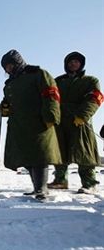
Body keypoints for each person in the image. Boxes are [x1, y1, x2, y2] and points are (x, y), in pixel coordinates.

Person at [0, 49, 61, 200]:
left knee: (40, 156)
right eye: (6, 67)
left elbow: (51, 94)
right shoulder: (9, 84)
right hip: (19, 125)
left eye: (10, 65)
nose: (8, 69)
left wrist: (51, 116)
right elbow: (8, 103)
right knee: (26, 157)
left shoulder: (38, 74)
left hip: (39, 121)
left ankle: (41, 189)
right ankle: (36, 188)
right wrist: (4, 108)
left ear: (18, 62)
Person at [48, 52, 102, 194]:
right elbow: (50, 99)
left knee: (83, 151)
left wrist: (82, 116)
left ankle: (89, 183)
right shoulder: (58, 81)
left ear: (81, 64)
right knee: (59, 151)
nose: (73, 64)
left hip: (80, 121)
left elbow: (95, 99)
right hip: (60, 120)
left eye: (76, 62)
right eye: (70, 61)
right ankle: (60, 180)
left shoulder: (90, 81)